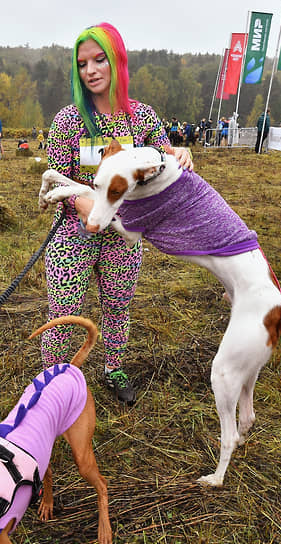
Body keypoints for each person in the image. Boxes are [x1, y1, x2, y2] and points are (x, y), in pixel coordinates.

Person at [41, 22, 193, 404]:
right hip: (74, 233)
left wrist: (183, 154)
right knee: (65, 312)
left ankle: (113, 368)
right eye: (81, 64)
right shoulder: (68, 121)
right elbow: (59, 181)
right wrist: (84, 205)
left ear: (117, 61)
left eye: (99, 59)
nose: (90, 70)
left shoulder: (141, 117)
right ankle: (53, 384)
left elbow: (166, 159)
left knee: (118, 305)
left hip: (124, 237)